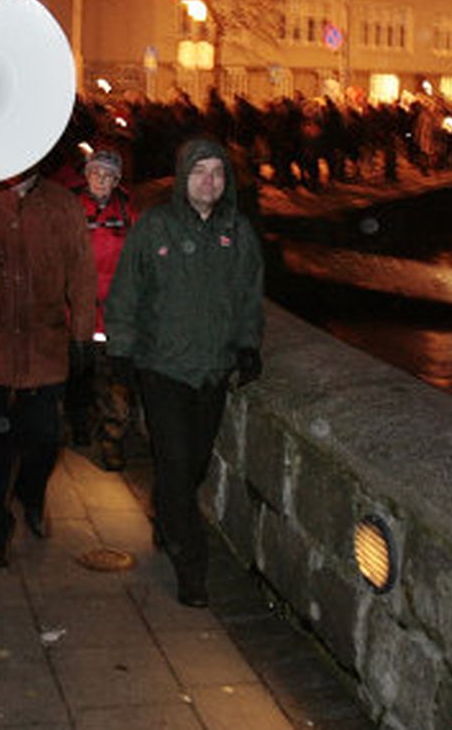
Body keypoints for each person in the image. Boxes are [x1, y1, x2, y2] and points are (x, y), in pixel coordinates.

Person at [105, 137, 264, 607]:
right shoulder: (154, 227)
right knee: (176, 468)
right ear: (183, 177)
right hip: (162, 368)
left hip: (211, 371)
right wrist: (121, 351)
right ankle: (190, 565)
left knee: (192, 464)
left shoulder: (237, 233)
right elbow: (126, 292)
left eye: (217, 172)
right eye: (200, 172)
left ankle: (165, 508)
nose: (209, 181)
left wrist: (248, 346)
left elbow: (250, 296)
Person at [0, 168, 96, 567]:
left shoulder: (61, 204)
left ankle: (31, 494)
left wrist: (83, 337)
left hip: (45, 350)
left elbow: (82, 273)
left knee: (43, 438)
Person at [71, 146, 139, 470]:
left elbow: (141, 259)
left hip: (114, 314)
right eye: (96, 173)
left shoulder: (128, 211)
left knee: (116, 381)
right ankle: (77, 423)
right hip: (76, 310)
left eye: (109, 176)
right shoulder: (70, 208)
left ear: (117, 181)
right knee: (76, 374)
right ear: (87, 175)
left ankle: (111, 439)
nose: (102, 180)